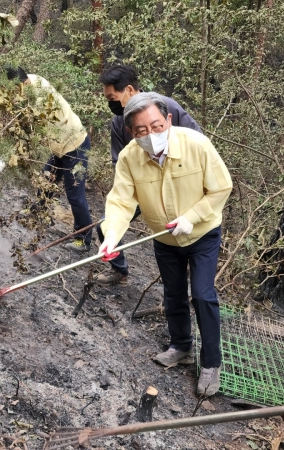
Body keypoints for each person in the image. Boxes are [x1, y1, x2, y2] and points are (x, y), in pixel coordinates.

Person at [98, 92, 232, 396]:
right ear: (132, 132)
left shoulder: (195, 144)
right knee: (173, 293)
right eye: (142, 130)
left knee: (202, 294)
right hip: (164, 237)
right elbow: (120, 202)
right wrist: (111, 237)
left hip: (201, 234)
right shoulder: (130, 158)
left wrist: (192, 216)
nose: (151, 134)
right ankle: (181, 346)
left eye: (156, 126)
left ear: (168, 120)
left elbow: (221, 187)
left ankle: (211, 362)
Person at [95, 65, 202, 285]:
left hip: (180, 186)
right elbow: (120, 166)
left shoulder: (165, 108)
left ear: (130, 90)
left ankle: (194, 277)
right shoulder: (118, 123)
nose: (110, 104)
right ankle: (119, 271)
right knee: (105, 226)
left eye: (112, 97)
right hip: (143, 189)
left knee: (183, 229)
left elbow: (198, 144)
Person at [6, 66, 93, 252]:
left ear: (25, 82)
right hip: (60, 148)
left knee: (75, 195)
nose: (17, 94)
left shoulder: (40, 95)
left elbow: (30, 127)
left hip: (76, 147)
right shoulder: (31, 82)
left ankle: (83, 240)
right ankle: (38, 211)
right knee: (47, 178)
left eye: (18, 89)